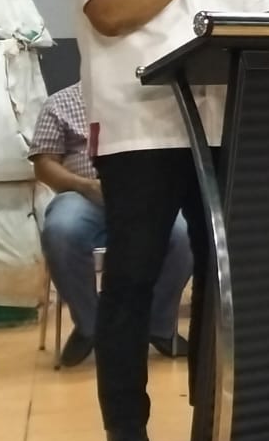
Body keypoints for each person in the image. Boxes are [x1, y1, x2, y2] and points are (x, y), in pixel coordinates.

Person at [60, 0, 269, 441]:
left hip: (222, 126)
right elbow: (110, 15)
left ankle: (221, 420)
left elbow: (263, 21)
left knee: (227, 277)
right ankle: (126, 432)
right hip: (140, 130)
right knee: (132, 277)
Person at [30, 83, 193, 369]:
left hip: (143, 196)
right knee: (61, 231)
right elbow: (44, 164)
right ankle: (91, 326)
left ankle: (159, 326)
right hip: (82, 195)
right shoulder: (60, 103)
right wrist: (84, 185)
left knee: (185, 234)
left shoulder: (151, 98)